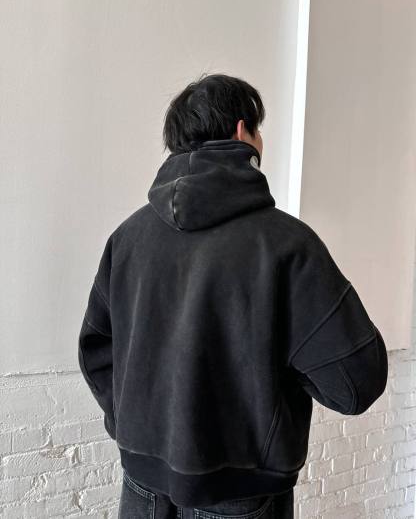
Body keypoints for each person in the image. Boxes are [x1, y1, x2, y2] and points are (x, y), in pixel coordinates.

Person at [78, 73, 388, 519]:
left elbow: (95, 350)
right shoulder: (286, 244)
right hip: (242, 496)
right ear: (243, 131)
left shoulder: (127, 239)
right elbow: (356, 383)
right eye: (259, 130)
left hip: (141, 489)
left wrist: (136, 427)